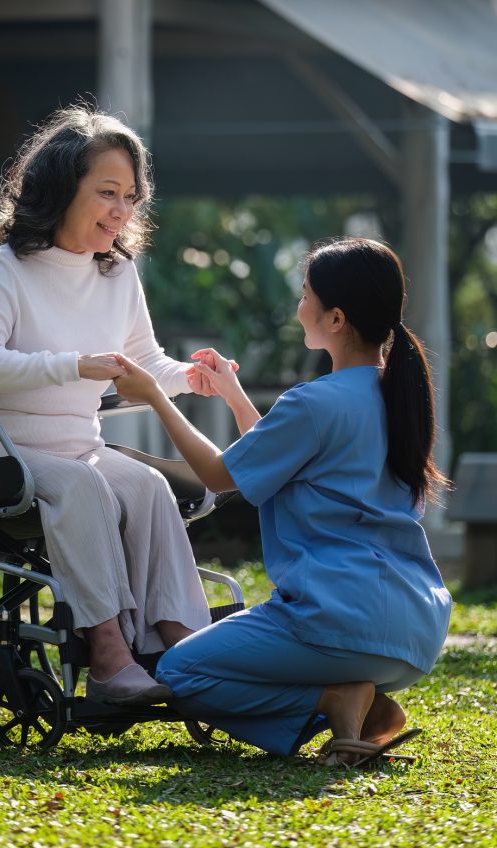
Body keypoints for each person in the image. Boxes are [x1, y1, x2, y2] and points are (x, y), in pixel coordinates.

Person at [113, 236, 452, 764]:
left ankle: (334, 697)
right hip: (414, 632)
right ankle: (357, 703)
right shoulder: (400, 396)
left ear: (335, 318)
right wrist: (232, 392)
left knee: (180, 671)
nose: (299, 307)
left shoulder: (314, 403)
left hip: (337, 622)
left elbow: (222, 475)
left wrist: (156, 396)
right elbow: (277, 451)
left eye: (305, 295)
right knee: (197, 663)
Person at [0, 104, 211, 705]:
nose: (122, 210)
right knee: (85, 488)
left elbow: (145, 362)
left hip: (76, 445)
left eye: (131, 197)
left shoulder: (118, 275)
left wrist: (194, 377)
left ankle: (185, 650)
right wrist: (74, 365)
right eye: (107, 192)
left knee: (149, 488)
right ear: (61, 189)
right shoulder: (4, 267)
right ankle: (110, 659)